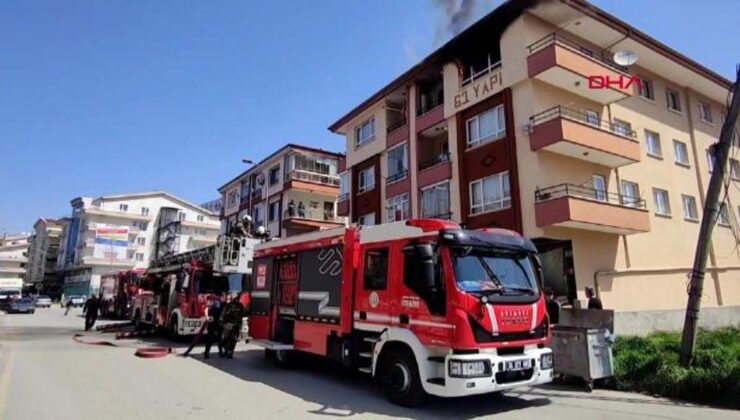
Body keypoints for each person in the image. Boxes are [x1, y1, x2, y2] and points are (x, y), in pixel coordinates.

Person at [219, 294, 246, 358]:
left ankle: (229, 352)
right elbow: (223, 314)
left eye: (230, 299)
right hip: (229, 325)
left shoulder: (239, 306)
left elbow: (243, 314)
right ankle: (227, 351)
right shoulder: (228, 305)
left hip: (233, 326)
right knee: (227, 339)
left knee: (232, 340)